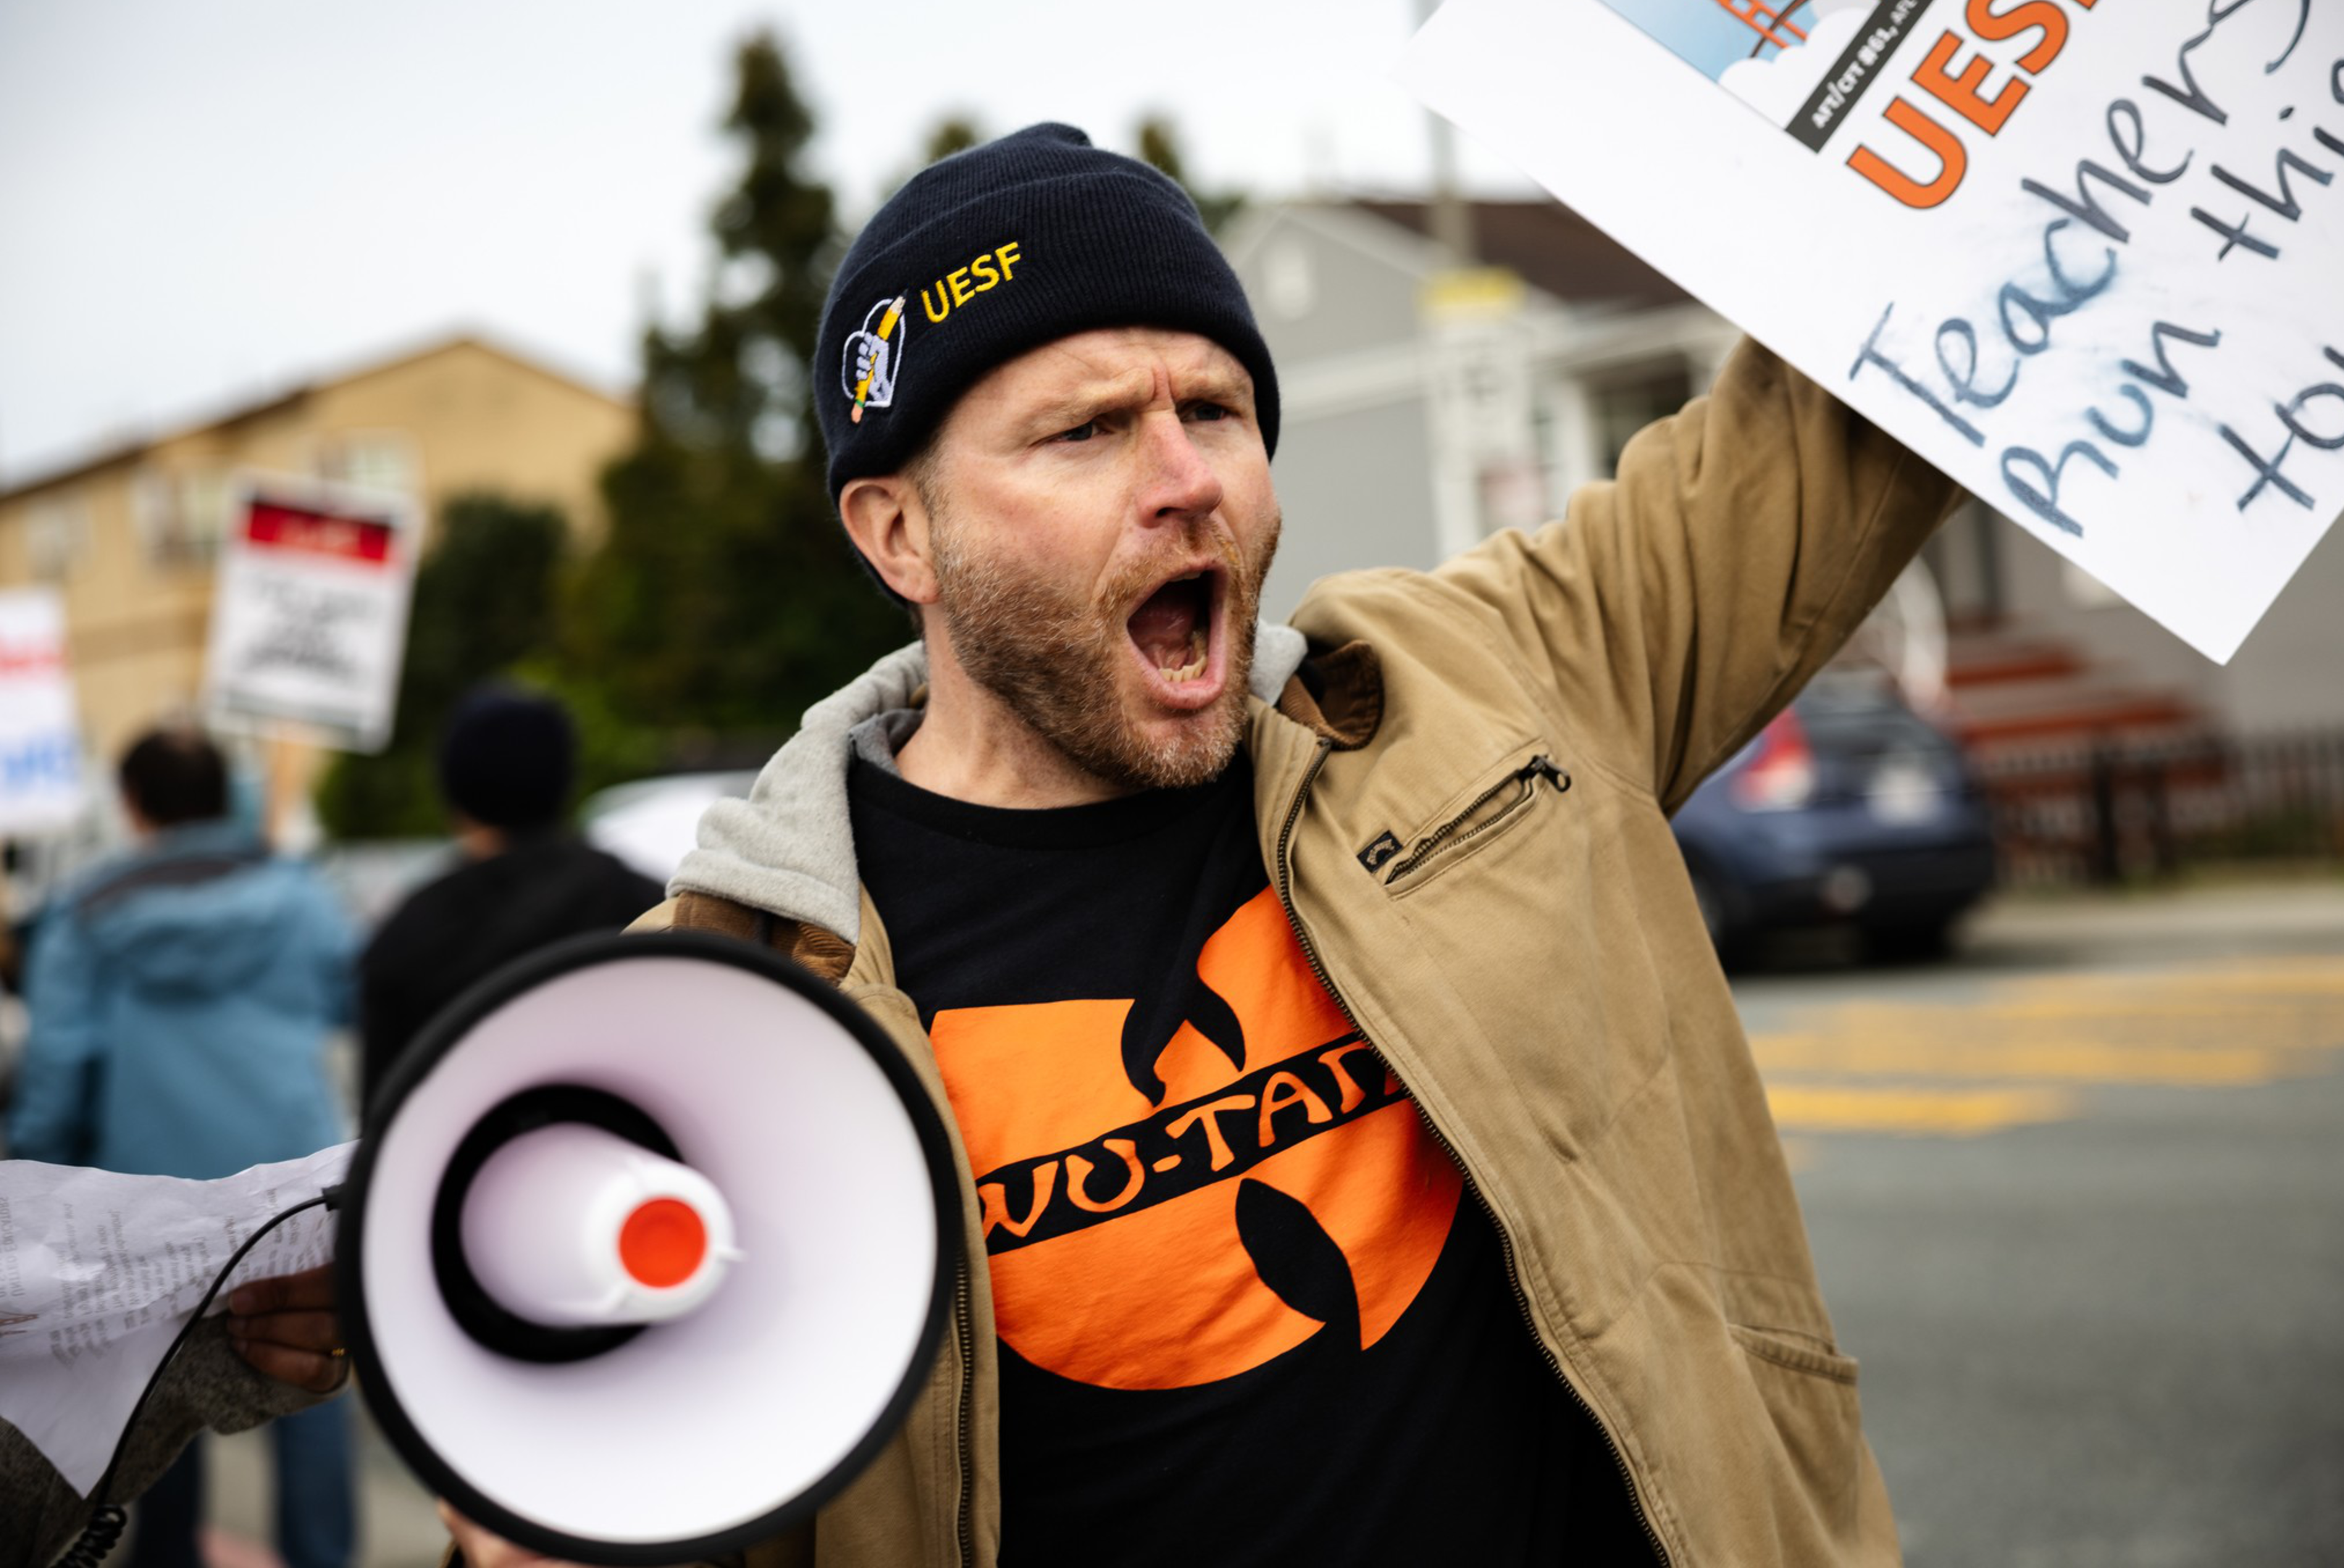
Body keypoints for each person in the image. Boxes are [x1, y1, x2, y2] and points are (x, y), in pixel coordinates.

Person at [446, 123, 1959, 1567]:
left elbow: (1851, 416)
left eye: (1216, 410)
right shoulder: (711, 1018)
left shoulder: (1487, 682)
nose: (1186, 479)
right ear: (897, 533)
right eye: (1088, 428)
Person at [4, 726, 357, 1568]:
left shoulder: (84, 916)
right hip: (298, 1188)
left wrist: (35, 1201)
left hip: (148, 1206)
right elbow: (345, 998)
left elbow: (58, 1069)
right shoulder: (301, 897)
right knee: (309, 1373)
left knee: (151, 1425)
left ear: (130, 804)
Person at [357, 686, 663, 1111]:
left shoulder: (409, 933)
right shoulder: (647, 903)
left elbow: (384, 1124)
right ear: (564, 780)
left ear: (453, 792)